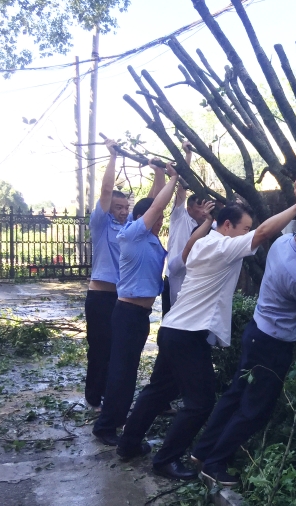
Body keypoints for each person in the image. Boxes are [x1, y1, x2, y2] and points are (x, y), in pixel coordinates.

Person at [114, 178, 296, 481]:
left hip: (173, 328)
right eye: (244, 228)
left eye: (247, 229)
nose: (247, 234)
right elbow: (263, 233)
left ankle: (128, 444)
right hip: (188, 335)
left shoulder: (203, 243)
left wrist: (207, 221)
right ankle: (166, 460)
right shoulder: (222, 247)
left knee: (159, 390)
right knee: (200, 403)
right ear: (228, 226)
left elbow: (189, 247)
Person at [193, 208, 296, 486]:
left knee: (235, 396)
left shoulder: (284, 241)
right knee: (255, 409)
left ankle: (202, 452)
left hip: (257, 333)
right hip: (272, 347)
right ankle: (215, 464)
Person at [92, 163, 180, 447]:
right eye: (157, 217)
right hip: (127, 314)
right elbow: (156, 204)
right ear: (143, 218)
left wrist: (167, 174)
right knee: (121, 372)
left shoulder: (152, 241)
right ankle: (105, 426)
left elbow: (156, 202)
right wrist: (174, 179)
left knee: (128, 372)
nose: (161, 220)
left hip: (141, 316)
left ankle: (117, 420)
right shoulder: (131, 234)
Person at [84, 140, 165, 411]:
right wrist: (113, 156)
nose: (122, 211)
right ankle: (93, 398)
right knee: (99, 348)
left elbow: (151, 205)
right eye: (117, 206)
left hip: (121, 300)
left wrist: (159, 173)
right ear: (108, 207)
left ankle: (110, 398)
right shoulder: (100, 224)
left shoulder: (130, 228)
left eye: (125, 207)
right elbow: (106, 190)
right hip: (100, 297)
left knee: (117, 353)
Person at [161, 141, 210, 316]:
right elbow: (181, 188)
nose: (204, 211)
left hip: (194, 279)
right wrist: (188, 156)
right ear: (189, 208)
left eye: (205, 207)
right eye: (199, 208)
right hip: (174, 276)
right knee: (170, 318)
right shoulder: (180, 217)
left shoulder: (209, 226)